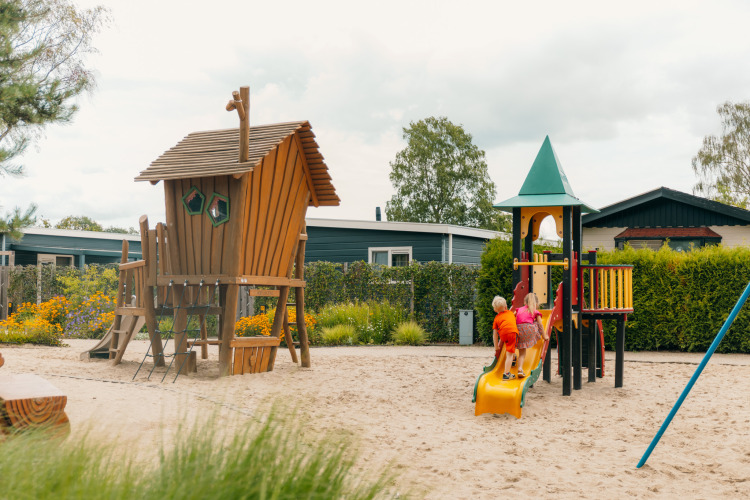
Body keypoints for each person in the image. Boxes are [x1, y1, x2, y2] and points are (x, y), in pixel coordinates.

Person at [514, 292, 549, 378]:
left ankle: (520, 368)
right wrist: (544, 336)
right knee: (536, 323)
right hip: (530, 331)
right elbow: (540, 325)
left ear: (525, 302)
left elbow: (511, 317)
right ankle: (519, 369)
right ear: (536, 303)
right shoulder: (535, 311)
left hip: (518, 331)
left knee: (521, 352)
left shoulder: (518, 310)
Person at [492, 296, 518, 381]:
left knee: (510, 346)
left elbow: (495, 335)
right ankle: (506, 374)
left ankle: (514, 358)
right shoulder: (510, 313)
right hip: (512, 332)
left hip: (503, 335)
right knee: (509, 354)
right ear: (506, 307)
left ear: (495, 310)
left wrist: (496, 347)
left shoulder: (496, 318)